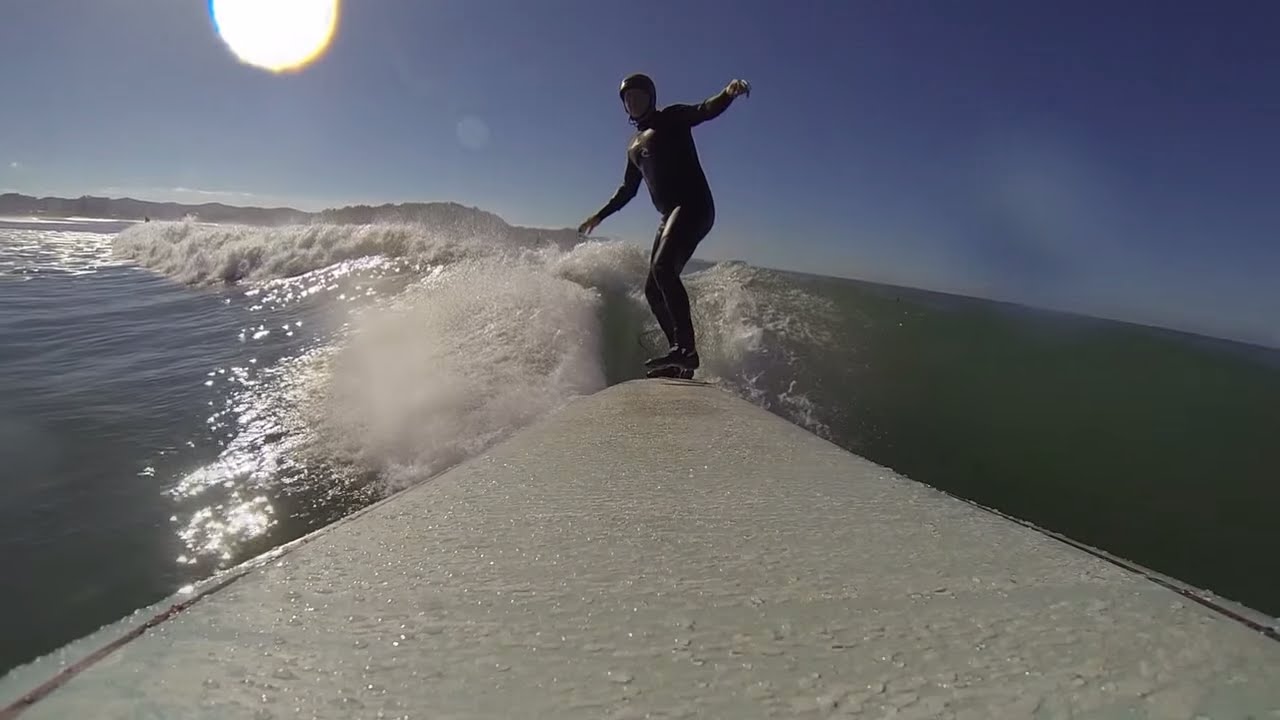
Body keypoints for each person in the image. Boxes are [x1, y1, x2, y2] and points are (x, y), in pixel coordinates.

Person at [579, 72, 751, 379]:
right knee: (652, 290)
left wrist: (727, 93)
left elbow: (704, 110)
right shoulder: (633, 147)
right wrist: (600, 216)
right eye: (628, 98)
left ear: (651, 99)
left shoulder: (671, 118)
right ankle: (678, 359)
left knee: (662, 269)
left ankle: (686, 351)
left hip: (695, 206)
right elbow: (627, 190)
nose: (633, 102)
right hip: (670, 214)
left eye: (639, 96)